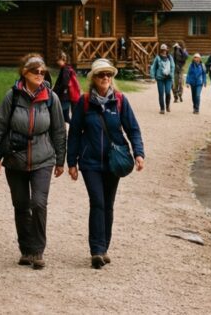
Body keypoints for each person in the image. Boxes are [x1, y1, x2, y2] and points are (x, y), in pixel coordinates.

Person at [0, 53, 66, 270]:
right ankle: (26, 249)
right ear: (25, 73)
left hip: (43, 159)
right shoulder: (11, 96)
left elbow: (59, 131)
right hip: (15, 159)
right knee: (21, 205)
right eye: (35, 71)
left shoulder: (51, 98)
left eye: (42, 71)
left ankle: (38, 251)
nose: (40, 74)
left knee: (38, 203)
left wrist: (60, 160)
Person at [67, 58, 145, 269]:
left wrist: (139, 153)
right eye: (101, 74)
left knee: (108, 205)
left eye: (108, 74)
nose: (105, 77)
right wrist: (71, 162)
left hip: (113, 162)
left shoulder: (119, 100)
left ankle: (104, 247)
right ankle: (96, 250)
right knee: (97, 202)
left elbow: (133, 129)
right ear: (93, 78)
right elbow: (74, 133)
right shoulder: (84, 102)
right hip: (90, 162)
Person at [53, 52, 81, 123]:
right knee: (66, 116)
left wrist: (57, 91)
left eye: (58, 60)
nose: (57, 62)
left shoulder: (65, 69)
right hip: (67, 95)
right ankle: (71, 124)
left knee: (62, 114)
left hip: (65, 95)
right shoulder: (67, 68)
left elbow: (65, 83)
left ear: (63, 59)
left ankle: (71, 125)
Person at [150, 43, 174, 114]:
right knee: (161, 93)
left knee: (168, 92)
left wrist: (172, 75)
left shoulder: (170, 57)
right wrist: (153, 77)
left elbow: (173, 66)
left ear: (167, 50)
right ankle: (162, 108)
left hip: (168, 78)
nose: (164, 51)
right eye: (162, 50)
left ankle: (167, 105)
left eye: (165, 50)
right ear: (160, 50)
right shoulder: (157, 58)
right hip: (160, 78)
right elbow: (153, 67)